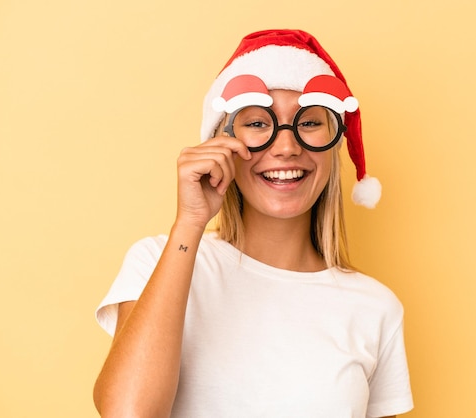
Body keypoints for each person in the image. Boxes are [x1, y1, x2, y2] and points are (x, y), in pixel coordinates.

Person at [93, 29, 413, 418]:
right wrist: (190, 223)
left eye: (309, 123)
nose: (286, 147)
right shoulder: (158, 261)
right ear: (220, 143)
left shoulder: (375, 308)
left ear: (333, 147)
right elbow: (127, 413)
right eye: (258, 124)